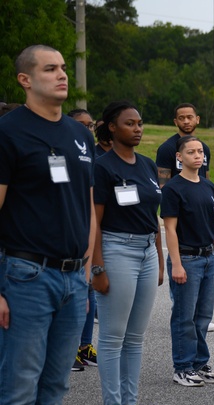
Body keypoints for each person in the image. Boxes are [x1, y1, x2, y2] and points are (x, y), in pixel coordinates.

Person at [0, 44, 97, 405]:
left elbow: (87, 200)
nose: (62, 76)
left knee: (54, 388)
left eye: (63, 68)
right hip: (24, 276)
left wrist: (85, 262)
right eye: (50, 69)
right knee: (18, 390)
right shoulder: (8, 132)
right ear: (24, 80)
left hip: (70, 278)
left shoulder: (78, 135)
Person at [91, 100, 165, 405]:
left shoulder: (148, 166)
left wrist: (160, 258)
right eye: (129, 123)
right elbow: (95, 221)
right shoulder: (102, 167)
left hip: (147, 250)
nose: (137, 128)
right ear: (111, 128)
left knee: (136, 338)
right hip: (116, 249)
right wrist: (97, 267)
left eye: (139, 123)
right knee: (112, 337)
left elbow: (155, 217)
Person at [161, 135, 214, 387]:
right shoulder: (173, 189)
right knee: (184, 317)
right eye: (191, 152)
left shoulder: (209, 187)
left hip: (208, 257)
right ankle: (183, 367)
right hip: (187, 259)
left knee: (203, 316)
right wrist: (176, 264)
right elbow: (170, 229)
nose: (198, 156)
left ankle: (200, 363)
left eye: (200, 152)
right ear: (180, 157)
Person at [68, 108, 99, 373]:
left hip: (84, 247)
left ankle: (84, 346)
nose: (86, 129)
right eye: (81, 124)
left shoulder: (92, 155)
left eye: (90, 125)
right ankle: (70, 350)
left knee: (90, 298)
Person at [156, 103, 210, 186]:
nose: (186, 121)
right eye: (181, 118)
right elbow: (162, 185)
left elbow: (206, 180)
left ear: (197, 119)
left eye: (189, 117)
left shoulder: (204, 149)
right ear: (176, 122)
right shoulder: (167, 149)